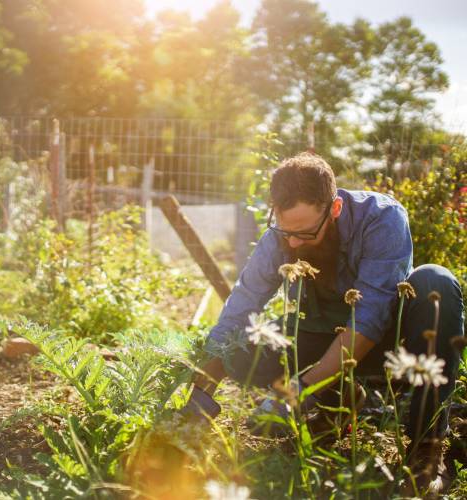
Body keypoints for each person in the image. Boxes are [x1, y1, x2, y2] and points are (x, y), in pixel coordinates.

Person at [181, 152, 464, 492]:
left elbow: (370, 318)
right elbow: (241, 306)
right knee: (240, 350)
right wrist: (201, 391)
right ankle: (340, 400)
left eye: (305, 233)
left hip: (388, 344)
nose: (294, 242)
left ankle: (426, 451)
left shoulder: (382, 219)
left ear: (335, 209)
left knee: (436, 282)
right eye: (286, 232)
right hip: (319, 337)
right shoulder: (282, 235)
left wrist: (300, 390)